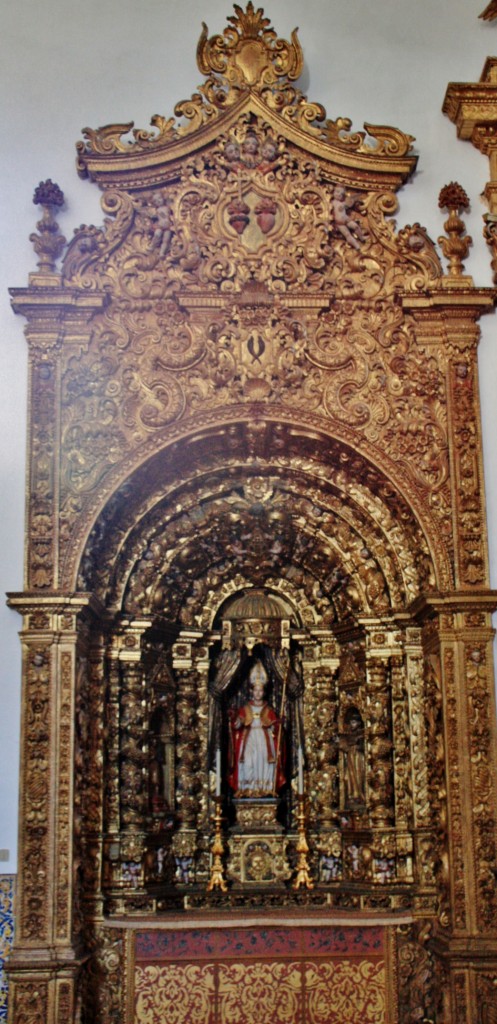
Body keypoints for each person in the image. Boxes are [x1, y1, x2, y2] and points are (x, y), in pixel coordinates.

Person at [227, 660, 285, 797]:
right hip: (249, 739)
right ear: (251, 691)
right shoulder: (245, 708)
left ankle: (264, 789)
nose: (258, 693)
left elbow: (275, 730)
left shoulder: (268, 710)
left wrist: (278, 724)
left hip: (264, 740)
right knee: (247, 761)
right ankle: (248, 788)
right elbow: (237, 726)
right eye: (255, 690)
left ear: (264, 692)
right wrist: (234, 717)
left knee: (264, 761)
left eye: (260, 690)